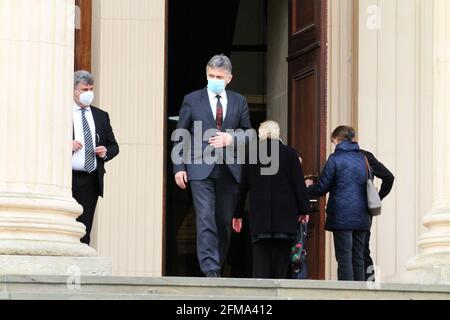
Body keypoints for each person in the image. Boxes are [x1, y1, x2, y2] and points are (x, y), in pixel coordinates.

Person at [172, 54, 252, 277]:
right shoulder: (192, 99)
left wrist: (231, 138)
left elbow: (250, 133)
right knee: (205, 218)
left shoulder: (239, 101)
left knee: (223, 222)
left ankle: (218, 263)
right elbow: (181, 134)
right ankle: (211, 270)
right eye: (211, 75)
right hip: (199, 167)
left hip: (229, 169)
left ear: (229, 78)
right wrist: (179, 167)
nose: (214, 79)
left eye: (219, 76)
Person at [234, 121, 311, 279]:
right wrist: (304, 210)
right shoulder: (290, 154)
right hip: (285, 218)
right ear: (278, 134)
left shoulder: (251, 155)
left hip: (260, 218)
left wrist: (237, 215)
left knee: (261, 262)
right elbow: (299, 185)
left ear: (260, 135)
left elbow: (242, 188)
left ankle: (261, 298)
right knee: (281, 264)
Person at [306, 126, 369, 281]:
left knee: (344, 257)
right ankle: (361, 295)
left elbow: (322, 187)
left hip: (342, 215)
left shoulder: (335, 159)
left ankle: (347, 295)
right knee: (358, 257)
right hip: (362, 214)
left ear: (336, 139)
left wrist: (307, 188)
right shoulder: (363, 159)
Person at [72, 70, 119, 245]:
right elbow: (47, 141)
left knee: (84, 228)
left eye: (91, 89)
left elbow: (114, 146)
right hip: (67, 179)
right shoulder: (62, 113)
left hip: (91, 179)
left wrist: (105, 151)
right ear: (74, 91)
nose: (88, 93)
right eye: (84, 89)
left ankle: (81, 267)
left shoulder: (101, 116)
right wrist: (66, 145)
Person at [359, 149, 395, 281]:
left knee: (348, 252)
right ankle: (371, 285)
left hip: (345, 211)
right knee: (363, 249)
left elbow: (389, 177)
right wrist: (378, 197)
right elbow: (389, 177)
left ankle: (357, 286)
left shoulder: (338, 157)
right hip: (365, 210)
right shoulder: (365, 156)